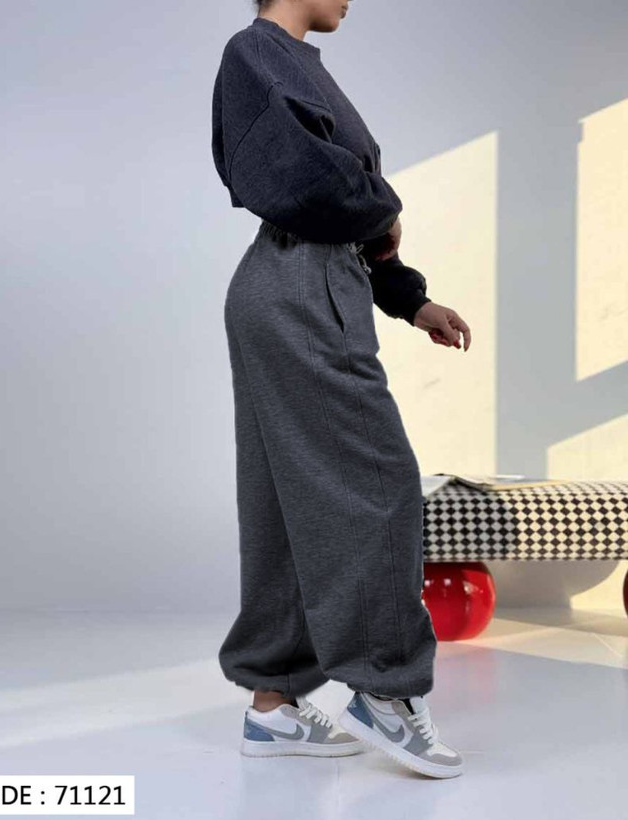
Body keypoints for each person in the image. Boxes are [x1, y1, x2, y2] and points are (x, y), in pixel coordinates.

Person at [211, 0, 470, 778]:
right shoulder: (255, 52)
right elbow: (302, 182)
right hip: (297, 288)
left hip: (303, 284)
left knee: (288, 502)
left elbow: (346, 212)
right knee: (374, 484)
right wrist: (384, 207)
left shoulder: (296, 65)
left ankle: (273, 704)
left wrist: (409, 298)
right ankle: (383, 690)